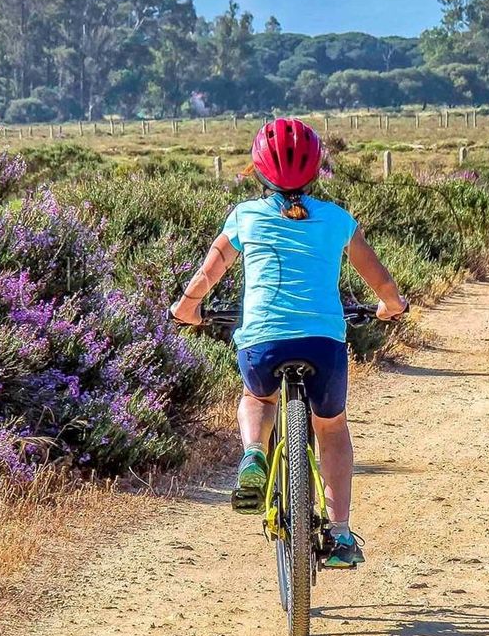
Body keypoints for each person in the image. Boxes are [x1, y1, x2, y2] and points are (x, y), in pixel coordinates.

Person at [171, 117, 407, 568]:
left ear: (258, 171)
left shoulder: (244, 217)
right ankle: (340, 534)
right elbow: (380, 280)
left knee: (257, 396)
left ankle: (253, 454)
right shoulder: (337, 220)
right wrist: (391, 306)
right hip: (323, 344)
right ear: (316, 170)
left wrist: (187, 308)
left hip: (262, 342)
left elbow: (208, 273)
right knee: (331, 428)